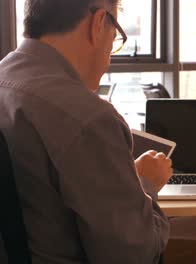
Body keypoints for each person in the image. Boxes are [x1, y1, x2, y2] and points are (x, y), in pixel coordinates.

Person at [0, 0, 172, 263]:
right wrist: (146, 185)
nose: (109, 60)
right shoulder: (89, 118)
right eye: (114, 38)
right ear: (99, 23)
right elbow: (133, 254)